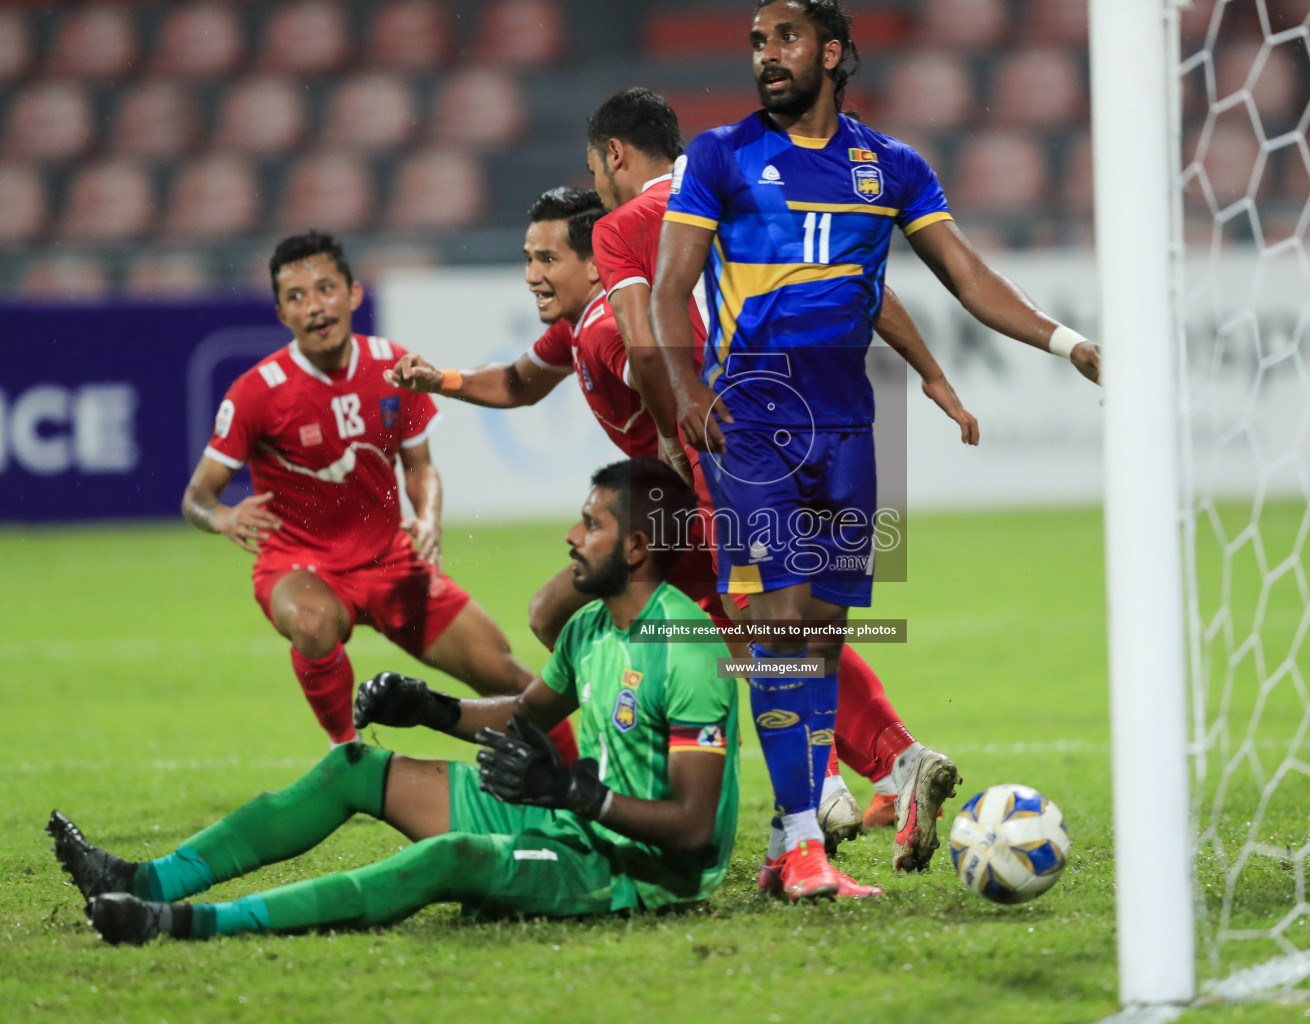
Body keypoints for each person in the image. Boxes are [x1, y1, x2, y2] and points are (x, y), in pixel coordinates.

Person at [649, 0, 1102, 898]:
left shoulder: (889, 168)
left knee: (819, 637)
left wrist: (1068, 342)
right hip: (754, 420)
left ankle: (798, 846)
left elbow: (966, 276)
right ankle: (799, 840)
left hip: (851, 428)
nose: (766, 56)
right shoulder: (720, 156)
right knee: (776, 629)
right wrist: (688, 392)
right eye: (756, 42)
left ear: (837, 54)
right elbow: (669, 291)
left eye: (785, 38)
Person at [50, 459, 739, 945]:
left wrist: (577, 796)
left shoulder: (686, 649)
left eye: (589, 525)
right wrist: (432, 707)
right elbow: (524, 714)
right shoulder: (592, 626)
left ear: (640, 548)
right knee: (354, 767)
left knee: (450, 859)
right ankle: (147, 880)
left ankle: (190, 926)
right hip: (576, 819)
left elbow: (693, 828)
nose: (571, 537)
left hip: (640, 872)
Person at [582, 86, 976, 895]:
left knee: (758, 633)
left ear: (615, 156)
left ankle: (814, 813)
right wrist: (930, 371)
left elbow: (652, 341)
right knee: (803, 622)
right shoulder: (762, 176)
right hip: (828, 414)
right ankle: (855, 789)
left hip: (730, 440)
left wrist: (669, 428)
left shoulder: (626, 231)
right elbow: (860, 279)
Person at [181, 232, 570, 757]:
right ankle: (350, 752)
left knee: (501, 668)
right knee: (314, 624)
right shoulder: (257, 391)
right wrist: (223, 518)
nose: (315, 306)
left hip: (392, 562)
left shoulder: (393, 367)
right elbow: (197, 497)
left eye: (325, 288)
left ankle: (579, 770)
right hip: (300, 565)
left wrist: (428, 520)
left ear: (353, 294)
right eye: (297, 297)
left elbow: (422, 471)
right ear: (281, 314)